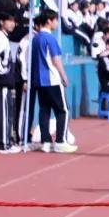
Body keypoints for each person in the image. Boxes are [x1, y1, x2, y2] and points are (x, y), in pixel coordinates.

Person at [29, 10, 76, 153]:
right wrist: (64, 76)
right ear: (49, 21)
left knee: (44, 111)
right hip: (52, 80)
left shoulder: (35, 39)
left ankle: (46, 141)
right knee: (62, 111)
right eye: (55, 20)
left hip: (39, 81)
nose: (57, 23)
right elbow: (56, 59)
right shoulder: (50, 39)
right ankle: (61, 140)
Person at [0, 10, 21, 154]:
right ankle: (3, 143)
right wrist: (2, 71)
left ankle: (0, 141)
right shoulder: (0, 37)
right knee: (4, 112)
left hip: (4, 81)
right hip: (2, 82)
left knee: (4, 111)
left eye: (14, 21)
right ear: (2, 22)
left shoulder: (3, 37)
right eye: (9, 21)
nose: (12, 24)